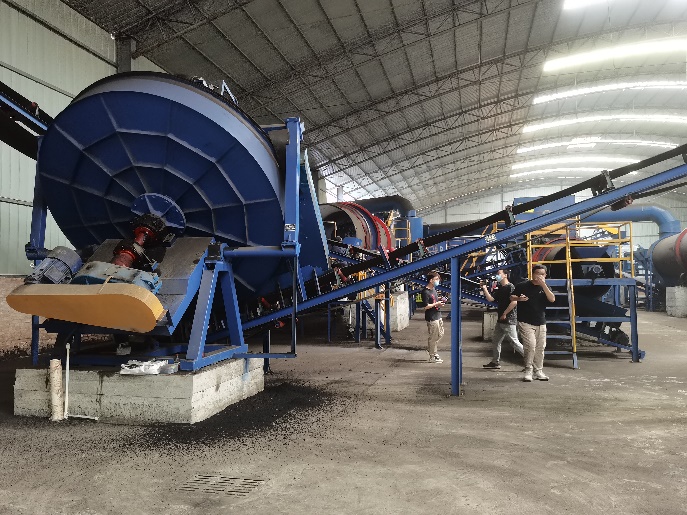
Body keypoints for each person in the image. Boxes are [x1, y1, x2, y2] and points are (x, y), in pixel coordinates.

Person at [511, 264, 556, 382]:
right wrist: (519, 299)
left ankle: (538, 371)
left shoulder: (545, 287)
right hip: (525, 321)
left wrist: (543, 285)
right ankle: (528, 370)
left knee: (540, 348)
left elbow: (552, 299)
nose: (539, 276)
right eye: (537, 273)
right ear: (532, 274)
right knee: (530, 346)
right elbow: (511, 297)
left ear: (545, 275)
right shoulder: (522, 285)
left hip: (540, 321)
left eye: (542, 274)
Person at [480, 269, 524, 369]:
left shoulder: (510, 287)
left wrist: (505, 313)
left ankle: (531, 362)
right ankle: (495, 362)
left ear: (505, 275)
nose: (497, 276)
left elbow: (514, 302)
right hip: (501, 320)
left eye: (499, 274)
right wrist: (484, 288)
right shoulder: (501, 289)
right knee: (496, 341)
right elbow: (491, 299)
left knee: (514, 342)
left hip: (509, 319)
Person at [421, 272, 444, 363]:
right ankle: (432, 356)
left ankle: (431, 348)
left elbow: (434, 301)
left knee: (440, 334)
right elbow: (426, 306)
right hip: (432, 317)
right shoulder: (425, 292)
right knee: (433, 337)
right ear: (431, 280)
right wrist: (436, 304)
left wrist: (440, 301)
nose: (438, 281)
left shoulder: (433, 289)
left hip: (438, 315)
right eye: (436, 279)